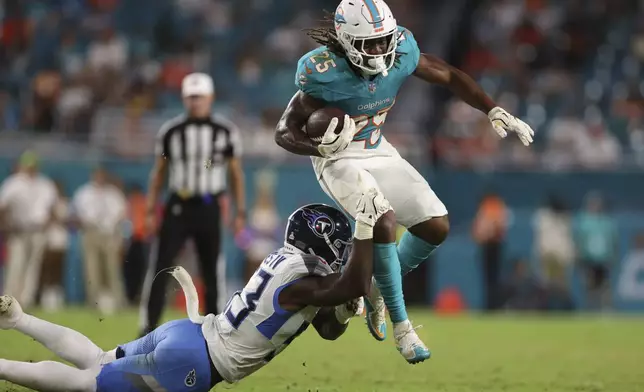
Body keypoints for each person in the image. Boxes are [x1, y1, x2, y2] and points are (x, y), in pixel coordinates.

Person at [274, 0, 534, 363]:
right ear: (347, 41)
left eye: (384, 40)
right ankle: (403, 327)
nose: (381, 50)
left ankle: (378, 287)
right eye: (371, 43)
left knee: (436, 225)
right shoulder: (322, 72)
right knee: (382, 218)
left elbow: (446, 73)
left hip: (378, 150)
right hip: (338, 161)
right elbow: (284, 132)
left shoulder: (401, 52)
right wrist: (316, 143)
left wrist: (491, 107)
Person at [0, 187, 389, 392]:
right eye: (341, 247)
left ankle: (18, 319)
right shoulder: (302, 281)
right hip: (192, 363)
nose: (344, 255)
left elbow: (327, 327)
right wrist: (367, 228)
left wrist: (344, 309)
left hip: (188, 334)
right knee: (87, 385)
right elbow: (354, 281)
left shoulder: (292, 267)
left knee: (99, 359)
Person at [140, 72, 246, 335]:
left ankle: (214, 328)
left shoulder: (225, 132)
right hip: (179, 204)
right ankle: (148, 325)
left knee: (212, 269)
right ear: (184, 99)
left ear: (210, 98)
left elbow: (235, 173)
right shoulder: (172, 132)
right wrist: (151, 209)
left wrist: (240, 210)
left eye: (199, 97)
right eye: (190, 97)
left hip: (209, 205)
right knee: (162, 265)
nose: (195, 102)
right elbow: (159, 171)